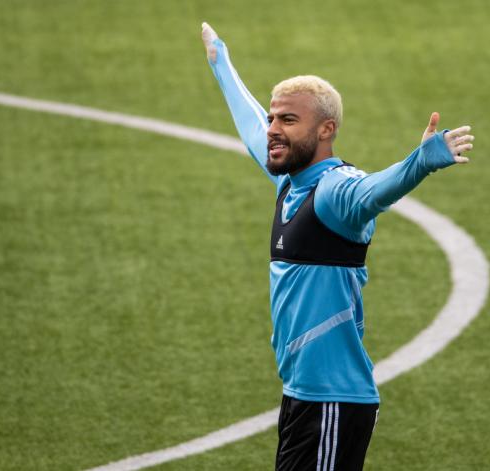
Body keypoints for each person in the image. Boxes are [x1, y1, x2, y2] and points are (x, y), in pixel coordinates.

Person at [200, 22, 474, 471]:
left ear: (326, 129)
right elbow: (253, 130)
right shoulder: (292, 183)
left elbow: (371, 193)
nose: (273, 129)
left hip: (332, 401)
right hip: (304, 395)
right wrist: (222, 64)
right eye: (274, 117)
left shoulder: (333, 192)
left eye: (288, 120)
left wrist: (418, 163)